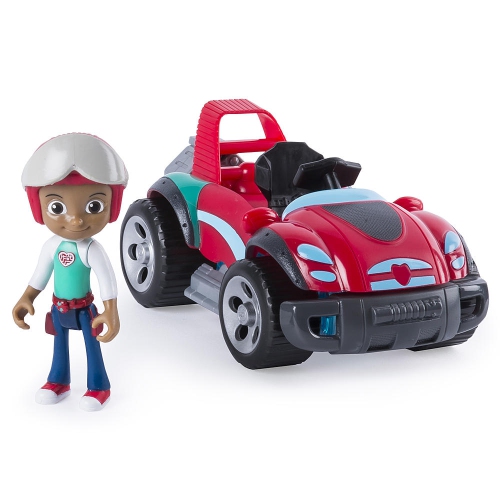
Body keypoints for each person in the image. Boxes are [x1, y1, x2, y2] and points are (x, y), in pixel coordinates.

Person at [12, 133, 128, 411]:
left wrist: (111, 311)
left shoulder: (92, 250)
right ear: (38, 208)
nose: (76, 220)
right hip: (58, 309)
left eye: (94, 206)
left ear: (112, 207)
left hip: (86, 311)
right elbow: (40, 275)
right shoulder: (51, 246)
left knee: (92, 349)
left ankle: (99, 386)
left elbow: (107, 280)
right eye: (57, 207)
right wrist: (27, 297)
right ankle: (58, 381)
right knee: (59, 348)